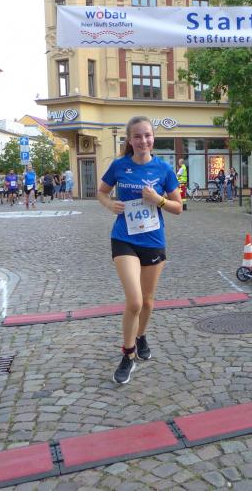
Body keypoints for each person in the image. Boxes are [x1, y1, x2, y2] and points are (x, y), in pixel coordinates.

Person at [96, 116, 182, 384]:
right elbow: (101, 192)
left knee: (147, 301)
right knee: (134, 301)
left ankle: (141, 335)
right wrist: (109, 205)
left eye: (147, 135)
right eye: (137, 136)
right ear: (129, 140)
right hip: (124, 238)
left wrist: (158, 199)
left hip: (153, 240)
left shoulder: (164, 169)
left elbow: (178, 207)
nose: (143, 141)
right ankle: (128, 354)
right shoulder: (119, 165)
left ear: (153, 137)